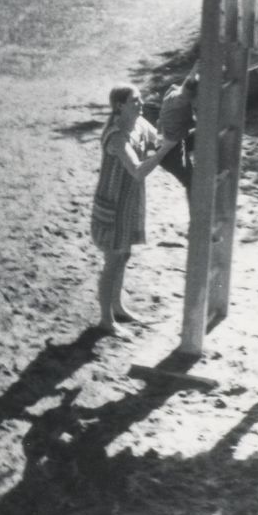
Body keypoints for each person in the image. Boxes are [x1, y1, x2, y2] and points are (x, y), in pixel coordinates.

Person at [90, 85, 161, 332]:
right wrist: (166, 150)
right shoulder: (117, 136)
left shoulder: (138, 123)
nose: (141, 103)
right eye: (135, 100)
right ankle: (106, 320)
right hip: (112, 203)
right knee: (113, 259)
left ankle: (118, 308)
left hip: (128, 202)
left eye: (140, 98)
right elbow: (137, 170)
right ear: (120, 106)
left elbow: (158, 136)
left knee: (124, 254)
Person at [154, 72, 200, 191]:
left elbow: (189, 83)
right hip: (168, 150)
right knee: (192, 182)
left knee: (206, 135)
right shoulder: (177, 102)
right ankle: (198, 209)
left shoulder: (180, 95)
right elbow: (183, 96)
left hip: (179, 138)